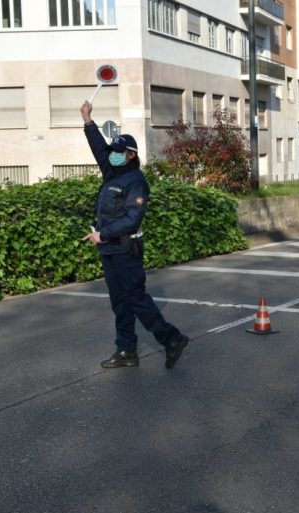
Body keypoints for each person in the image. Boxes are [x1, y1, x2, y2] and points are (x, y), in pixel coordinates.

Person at [79, 101, 189, 369]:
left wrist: (103, 234)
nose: (113, 155)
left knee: (136, 299)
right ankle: (126, 351)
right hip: (110, 249)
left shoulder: (136, 182)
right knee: (120, 303)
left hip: (126, 249)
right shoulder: (111, 173)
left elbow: (132, 220)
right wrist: (87, 120)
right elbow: (99, 147)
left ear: (130, 154)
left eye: (118, 152)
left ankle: (172, 338)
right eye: (113, 152)